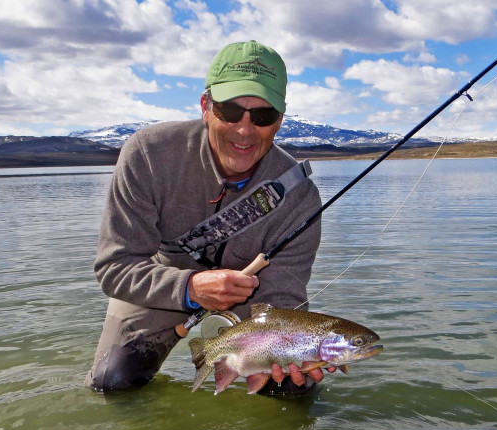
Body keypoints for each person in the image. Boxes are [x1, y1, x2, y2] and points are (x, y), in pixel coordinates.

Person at [85, 40, 331, 395]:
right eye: (230, 112)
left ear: (280, 119)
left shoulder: (299, 195)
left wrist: (297, 353)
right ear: (205, 107)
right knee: (113, 381)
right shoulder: (148, 154)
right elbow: (115, 268)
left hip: (254, 303)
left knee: (294, 386)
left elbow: (283, 297)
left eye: (262, 117)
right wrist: (189, 289)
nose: (245, 130)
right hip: (162, 286)